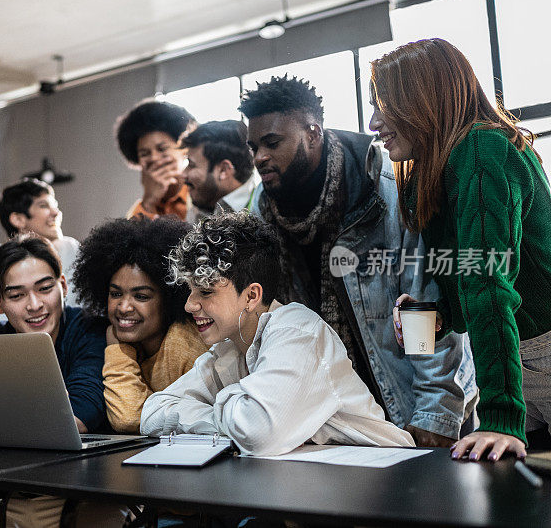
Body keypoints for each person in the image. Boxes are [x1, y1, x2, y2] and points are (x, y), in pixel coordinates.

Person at [239, 75, 478, 448]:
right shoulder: (263, 214)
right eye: (253, 147)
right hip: (337, 418)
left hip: (409, 406)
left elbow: (422, 303)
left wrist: (435, 412)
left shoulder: (385, 188)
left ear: (313, 133)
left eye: (272, 143)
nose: (259, 158)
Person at [369, 38, 551, 462]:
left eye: (383, 104)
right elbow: (465, 283)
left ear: (420, 99)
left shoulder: (483, 149)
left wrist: (499, 418)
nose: (375, 121)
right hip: (519, 360)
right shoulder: (428, 175)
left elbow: (488, 285)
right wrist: (436, 320)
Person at [140, 212, 415, 455]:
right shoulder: (230, 348)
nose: (189, 304)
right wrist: (228, 410)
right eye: (190, 290)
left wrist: (226, 401)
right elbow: (151, 414)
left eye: (206, 291)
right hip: (316, 493)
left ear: (251, 295)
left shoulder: (297, 332)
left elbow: (257, 433)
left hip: (384, 485)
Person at [0, 235, 113, 528]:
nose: (34, 305)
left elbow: (81, 412)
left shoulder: (90, 329)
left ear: (63, 286)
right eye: (17, 296)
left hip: (82, 497)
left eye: (45, 289)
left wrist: (1, 418)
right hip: (6, 499)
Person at [72, 218, 208, 433]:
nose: (124, 307)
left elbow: (129, 419)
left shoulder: (182, 345)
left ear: (170, 298)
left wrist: (117, 349)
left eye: (141, 296)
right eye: (116, 294)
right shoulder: (136, 341)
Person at [0, 178, 80, 329]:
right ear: (18, 219)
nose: (56, 213)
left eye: (55, 206)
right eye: (44, 206)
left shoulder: (70, 247)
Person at [115, 100, 196, 220]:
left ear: (183, 150)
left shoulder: (199, 196)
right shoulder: (137, 212)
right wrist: (149, 201)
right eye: (144, 154)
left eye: (162, 149)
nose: (154, 158)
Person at [181, 120, 261, 218]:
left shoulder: (264, 213)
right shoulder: (202, 204)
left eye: (192, 165)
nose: (183, 174)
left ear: (224, 170)